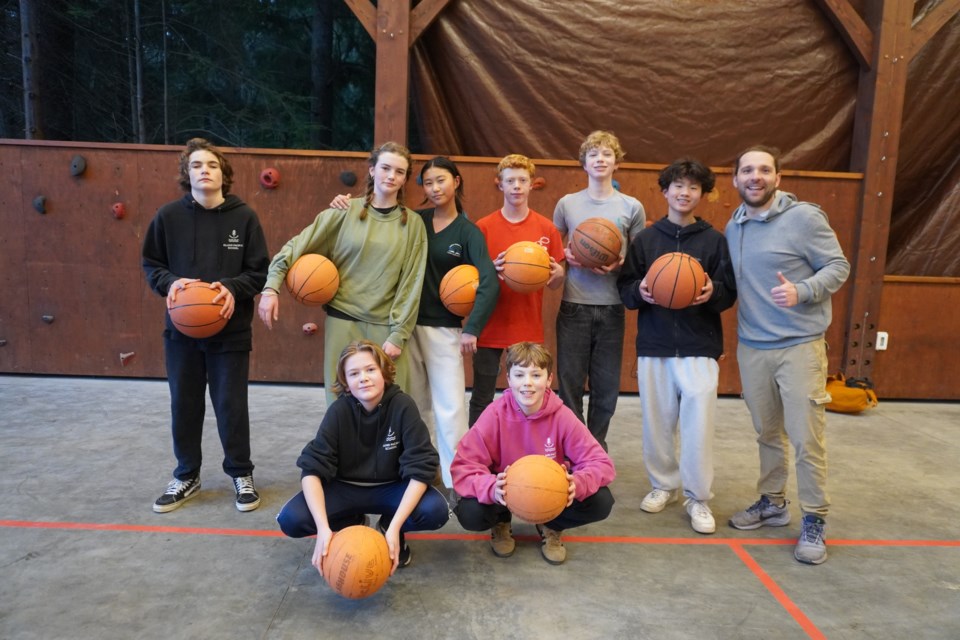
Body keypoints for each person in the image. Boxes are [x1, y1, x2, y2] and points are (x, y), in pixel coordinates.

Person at [329, 157, 500, 494]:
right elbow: (375, 220)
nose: (435, 188)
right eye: (428, 183)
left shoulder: (467, 231)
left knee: (450, 406)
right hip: (403, 326)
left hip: (444, 329)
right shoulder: (413, 220)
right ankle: (425, 469)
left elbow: (489, 281)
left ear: (456, 181)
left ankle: (459, 480)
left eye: (441, 180)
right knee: (414, 403)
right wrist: (345, 204)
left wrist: (472, 328)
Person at [724, 145, 850, 565]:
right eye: (747, 170)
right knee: (767, 434)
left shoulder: (804, 218)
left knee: (805, 439)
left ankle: (815, 518)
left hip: (799, 347)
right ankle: (773, 502)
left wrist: (804, 290)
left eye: (764, 169)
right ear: (735, 180)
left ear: (778, 177)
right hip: (752, 347)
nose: (754, 177)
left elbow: (838, 266)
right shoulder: (735, 225)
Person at [142, 137, 270, 513]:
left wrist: (232, 287)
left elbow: (258, 271)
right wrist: (171, 283)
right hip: (181, 332)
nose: (204, 171)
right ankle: (186, 475)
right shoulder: (168, 217)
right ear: (187, 173)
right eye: (197, 165)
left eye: (212, 165)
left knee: (231, 405)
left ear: (223, 173)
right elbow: (152, 265)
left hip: (231, 331)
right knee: (184, 403)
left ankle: (241, 474)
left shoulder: (244, 217)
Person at [617, 159, 736, 534]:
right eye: (678, 186)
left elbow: (729, 291)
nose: (685, 193)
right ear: (665, 191)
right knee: (657, 422)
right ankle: (663, 485)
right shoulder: (647, 240)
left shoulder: (715, 240)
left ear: (702, 194)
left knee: (698, 422)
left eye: (693, 188)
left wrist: (711, 291)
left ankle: (697, 496)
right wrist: (641, 290)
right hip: (654, 345)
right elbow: (626, 288)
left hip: (700, 345)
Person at [258, 142, 427, 406]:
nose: (391, 176)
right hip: (343, 321)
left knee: (392, 407)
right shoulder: (343, 212)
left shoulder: (413, 224)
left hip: (387, 328)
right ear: (372, 170)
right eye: (385, 168)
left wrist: (399, 333)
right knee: (340, 405)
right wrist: (271, 288)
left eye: (399, 172)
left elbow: (412, 283)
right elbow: (294, 248)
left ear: (405, 178)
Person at [276, 340, 449, 572]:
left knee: (435, 510)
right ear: (346, 383)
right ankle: (350, 523)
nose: (364, 378)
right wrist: (324, 528)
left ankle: (388, 527)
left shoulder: (402, 406)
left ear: (384, 372)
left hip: (391, 489)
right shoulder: (338, 411)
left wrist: (397, 526)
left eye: (370, 369)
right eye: (354, 373)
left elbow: (421, 468)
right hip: (346, 489)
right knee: (291, 520)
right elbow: (312, 469)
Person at [452, 342, 615, 565]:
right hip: (506, 494)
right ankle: (500, 522)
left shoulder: (562, 416)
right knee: (469, 512)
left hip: (548, 492)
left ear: (548, 380)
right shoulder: (495, 414)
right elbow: (463, 466)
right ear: (509, 379)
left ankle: (552, 524)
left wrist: (577, 483)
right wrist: (491, 488)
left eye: (536, 375)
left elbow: (601, 463)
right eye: (519, 375)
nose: (527, 383)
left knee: (601, 501)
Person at [553, 130, 646, 451]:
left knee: (606, 388)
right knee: (569, 386)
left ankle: (596, 447)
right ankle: (573, 447)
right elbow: (553, 252)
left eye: (607, 154)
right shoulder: (567, 204)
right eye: (594, 154)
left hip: (611, 307)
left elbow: (638, 260)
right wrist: (564, 257)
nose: (600, 159)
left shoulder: (632, 207)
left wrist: (620, 262)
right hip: (573, 306)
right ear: (584, 163)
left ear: (617, 163)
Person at [469, 154, 565, 426]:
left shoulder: (547, 228)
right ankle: (478, 454)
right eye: (510, 180)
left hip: (527, 328)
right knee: (482, 396)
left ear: (532, 184)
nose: (516, 186)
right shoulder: (483, 227)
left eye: (523, 180)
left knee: (528, 396)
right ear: (499, 184)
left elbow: (556, 281)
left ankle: (526, 449)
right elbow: (471, 279)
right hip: (489, 325)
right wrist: (488, 270)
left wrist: (559, 273)